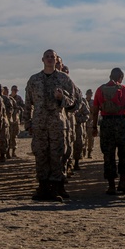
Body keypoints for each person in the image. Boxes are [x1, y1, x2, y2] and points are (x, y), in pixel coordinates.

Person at [24, 49, 78, 201]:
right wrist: (27, 122)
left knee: (56, 156)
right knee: (40, 155)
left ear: (56, 60)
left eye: (52, 57)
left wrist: (61, 98)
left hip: (56, 124)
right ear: (42, 60)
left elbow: (73, 102)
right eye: (47, 57)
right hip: (39, 124)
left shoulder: (64, 79)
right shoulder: (34, 79)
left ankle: (55, 188)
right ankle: (42, 187)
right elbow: (28, 103)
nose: (49, 59)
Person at [91, 68, 125, 195]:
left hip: (106, 124)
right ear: (121, 77)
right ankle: (122, 183)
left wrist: (94, 127)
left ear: (110, 76)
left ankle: (111, 186)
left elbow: (95, 111)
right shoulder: (124, 89)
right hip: (122, 123)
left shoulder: (100, 90)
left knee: (108, 155)